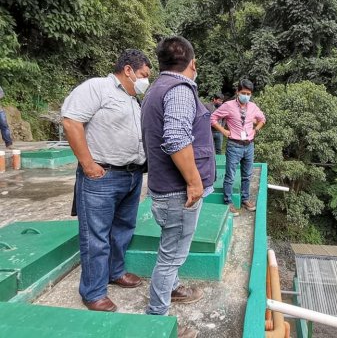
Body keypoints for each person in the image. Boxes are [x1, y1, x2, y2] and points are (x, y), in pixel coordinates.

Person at [61, 49, 151, 312]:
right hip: (103, 176)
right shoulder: (97, 88)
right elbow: (71, 122)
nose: (146, 80)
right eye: (144, 75)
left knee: (122, 230)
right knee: (96, 236)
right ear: (128, 70)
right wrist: (88, 164)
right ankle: (93, 291)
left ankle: (115, 272)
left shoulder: (132, 100)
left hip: (131, 175)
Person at [141, 36, 215, 338]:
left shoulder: (155, 89)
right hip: (178, 192)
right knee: (170, 257)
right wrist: (194, 181)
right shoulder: (180, 90)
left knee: (170, 248)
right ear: (193, 63)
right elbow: (174, 138)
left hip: (164, 189)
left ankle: (172, 290)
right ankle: (157, 322)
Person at [211, 79, 265, 215]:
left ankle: (245, 199)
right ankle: (228, 201)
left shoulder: (253, 107)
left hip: (249, 145)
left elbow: (262, 118)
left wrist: (256, 129)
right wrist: (223, 131)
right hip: (234, 145)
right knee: (230, 175)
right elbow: (212, 118)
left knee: (247, 175)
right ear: (237, 92)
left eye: (248, 93)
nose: (246, 96)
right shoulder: (228, 105)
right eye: (243, 93)